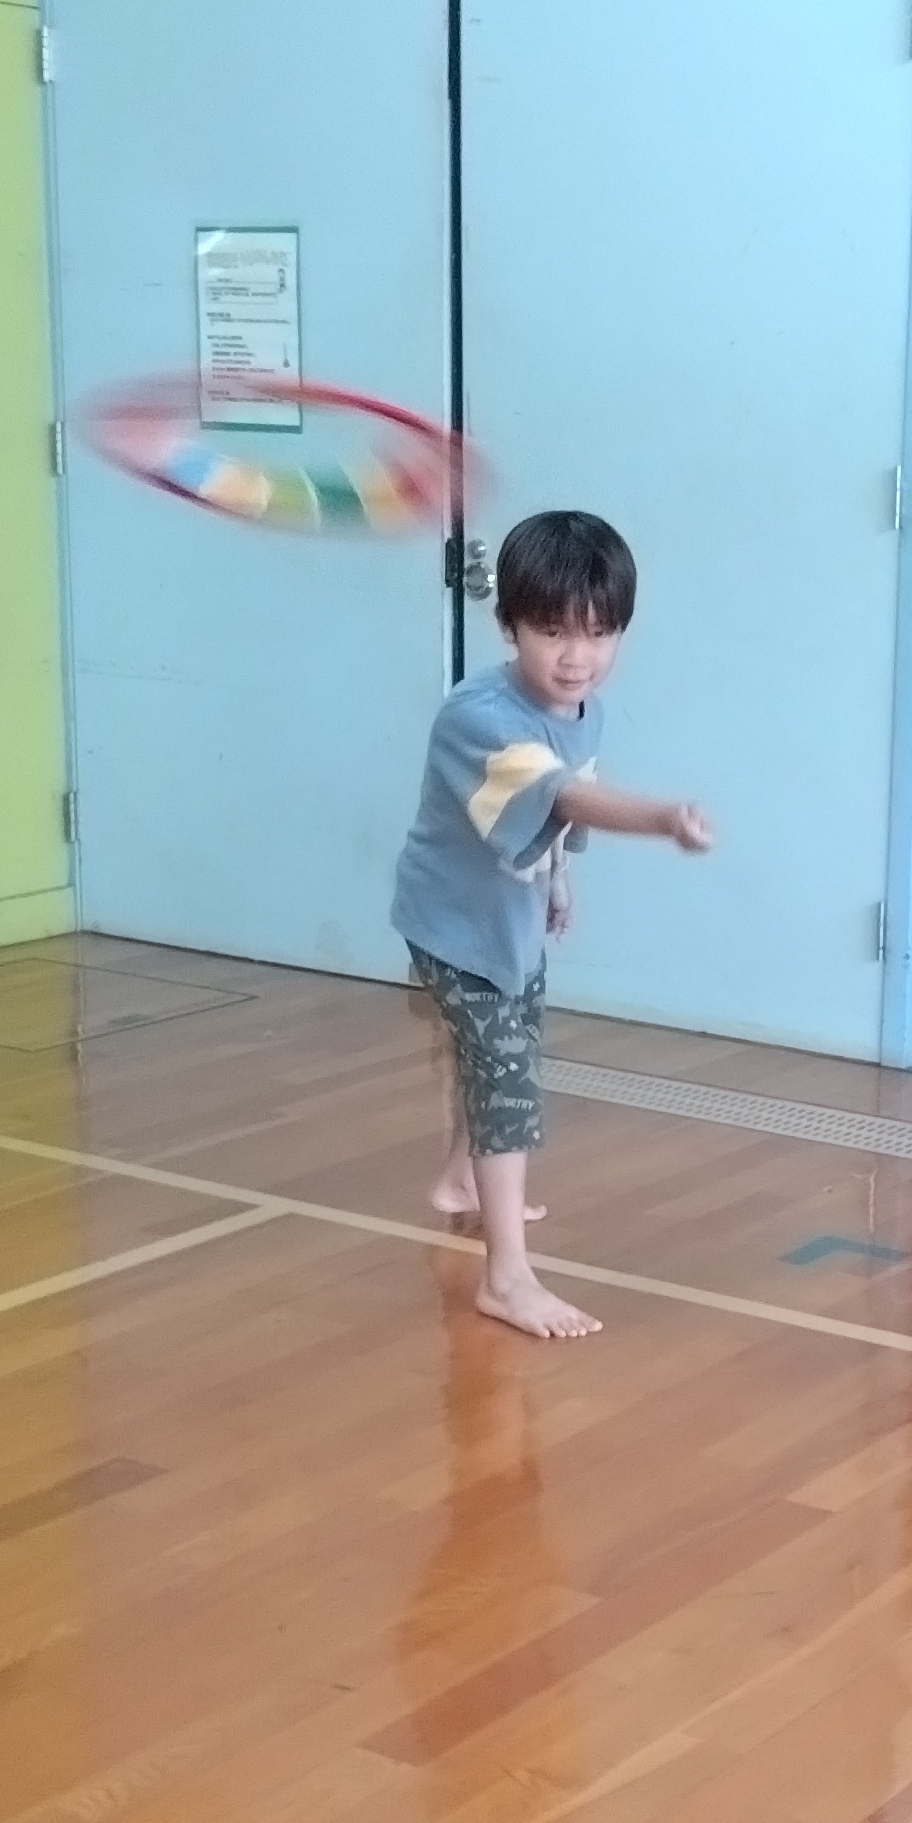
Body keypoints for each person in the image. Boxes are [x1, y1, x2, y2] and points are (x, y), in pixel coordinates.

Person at [391, 508, 713, 1339]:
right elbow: (561, 794)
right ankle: (506, 1277)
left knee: (501, 1048)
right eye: (554, 632)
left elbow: (563, 806)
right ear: (510, 624)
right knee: (507, 1076)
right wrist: (661, 818)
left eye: (600, 634)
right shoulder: (478, 716)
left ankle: (462, 1181)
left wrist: (559, 879)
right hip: (455, 926)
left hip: (512, 915)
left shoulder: (583, 710)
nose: (578, 657)